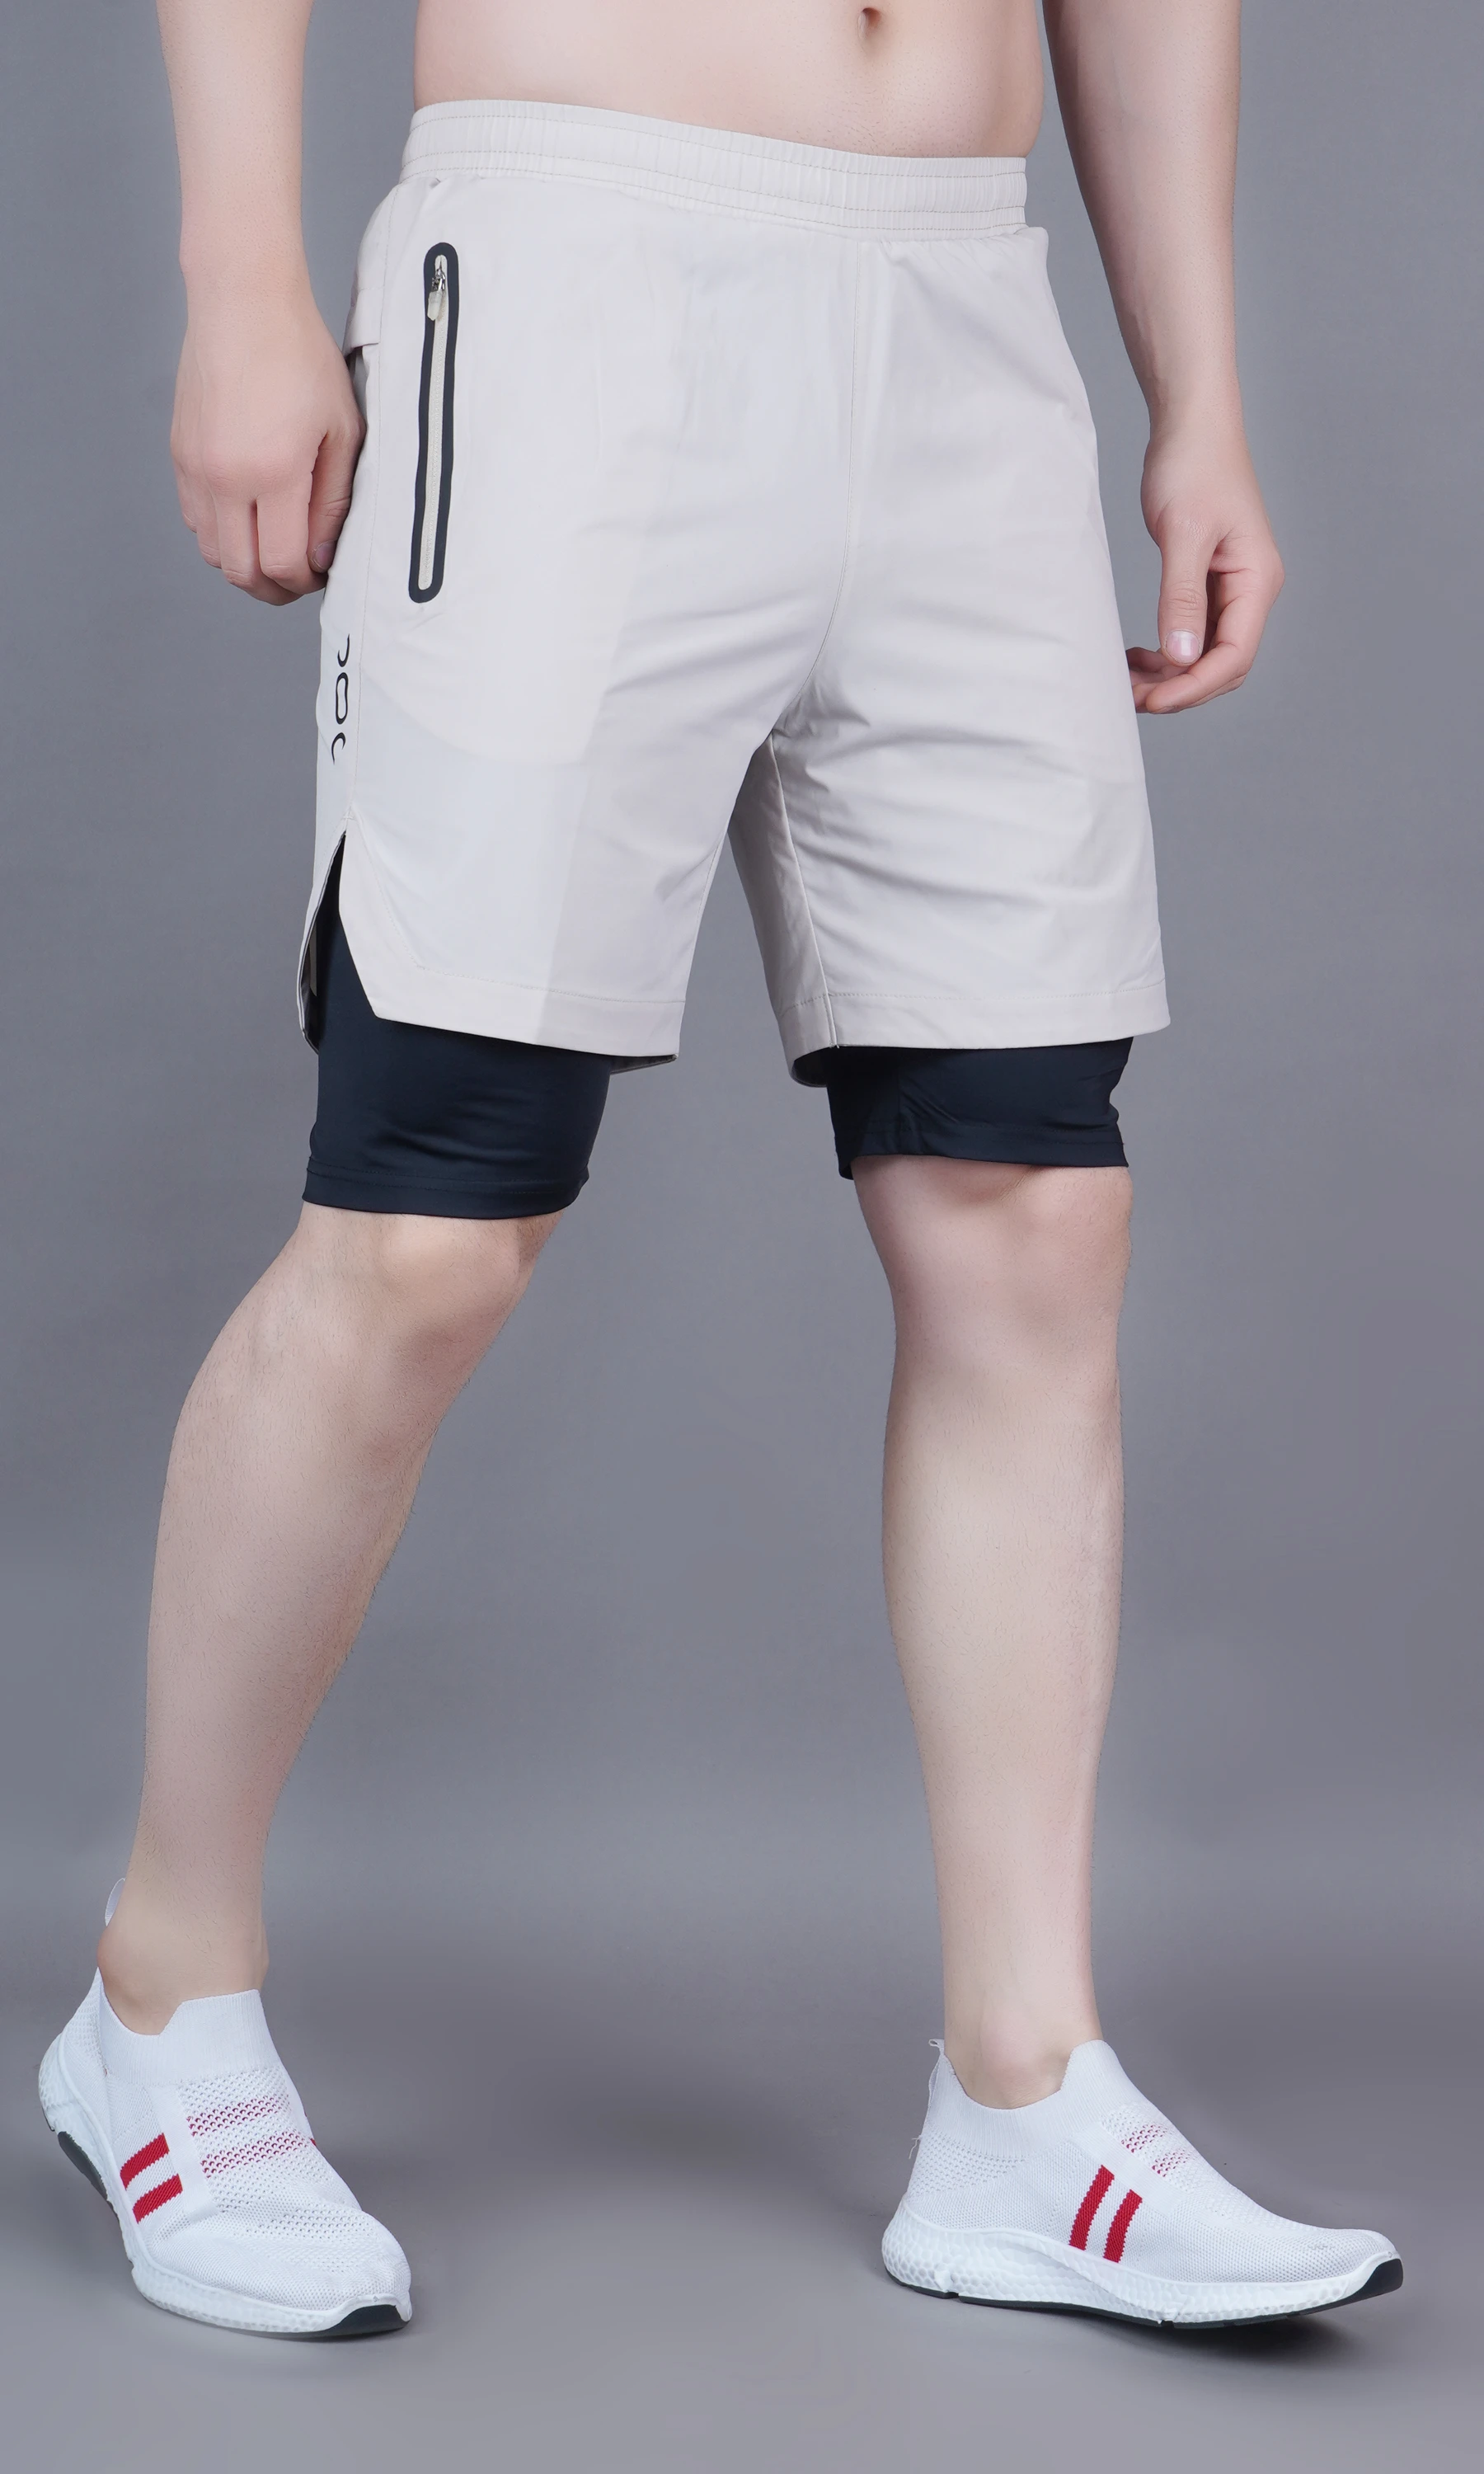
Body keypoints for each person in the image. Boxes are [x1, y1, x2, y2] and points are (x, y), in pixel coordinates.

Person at [40, 0, 1400, 2338]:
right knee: (429, 1227)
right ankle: (162, 1997)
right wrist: (241, 271)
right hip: (581, 260)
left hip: (964, 300)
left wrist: (1201, 386)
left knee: (1031, 1211)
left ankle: (1027, 2090)